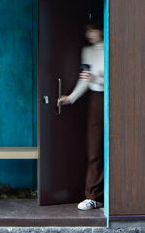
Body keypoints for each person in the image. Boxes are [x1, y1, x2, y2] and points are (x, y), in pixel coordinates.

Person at [58, 20, 104, 211]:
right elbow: (85, 78)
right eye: (87, 30)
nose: (88, 34)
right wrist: (71, 98)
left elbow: (123, 77)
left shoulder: (114, 47)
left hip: (117, 100)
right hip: (96, 100)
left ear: (102, 30)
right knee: (94, 149)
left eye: (92, 30)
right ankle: (94, 196)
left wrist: (99, 79)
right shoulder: (88, 51)